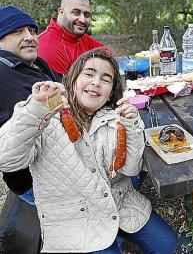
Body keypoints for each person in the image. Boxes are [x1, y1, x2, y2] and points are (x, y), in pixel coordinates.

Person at [0, 48, 178, 253]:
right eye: (89, 74)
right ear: (73, 80)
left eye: (106, 79)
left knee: (167, 245)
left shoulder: (113, 118)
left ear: (111, 91)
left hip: (119, 202)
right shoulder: (45, 119)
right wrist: (35, 110)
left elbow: (130, 169)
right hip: (76, 219)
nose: (96, 82)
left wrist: (132, 127)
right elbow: (7, 159)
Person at [0, 5, 58, 253]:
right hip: (37, 182)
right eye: (17, 31)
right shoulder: (3, 75)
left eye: (32, 31)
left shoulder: (34, 66)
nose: (29, 37)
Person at [38, 0, 103, 75]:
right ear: (61, 12)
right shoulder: (47, 47)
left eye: (87, 15)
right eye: (76, 13)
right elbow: (62, 87)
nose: (82, 20)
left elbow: (106, 55)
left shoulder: (78, 37)